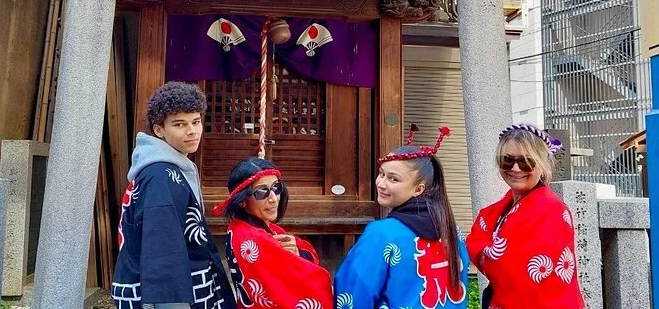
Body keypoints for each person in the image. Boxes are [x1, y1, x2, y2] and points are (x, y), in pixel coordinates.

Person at [112, 82, 235, 309]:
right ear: (159, 130)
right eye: (179, 124)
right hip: (170, 294)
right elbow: (162, 249)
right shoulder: (161, 176)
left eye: (196, 121)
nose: (192, 131)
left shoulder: (169, 168)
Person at [334, 124, 469, 309]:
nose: (381, 184)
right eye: (381, 174)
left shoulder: (382, 234)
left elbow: (354, 292)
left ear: (418, 189)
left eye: (393, 179)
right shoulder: (452, 231)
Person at [466, 123, 585, 309]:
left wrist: (487, 250)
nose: (515, 168)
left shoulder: (551, 210)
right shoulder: (498, 211)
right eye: (507, 160)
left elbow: (513, 267)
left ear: (542, 165)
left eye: (526, 162)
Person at [213, 157, 333, 309]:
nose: (273, 198)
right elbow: (309, 282)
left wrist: (298, 252)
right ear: (242, 200)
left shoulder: (239, 227)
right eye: (261, 192)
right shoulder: (255, 239)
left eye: (276, 188)